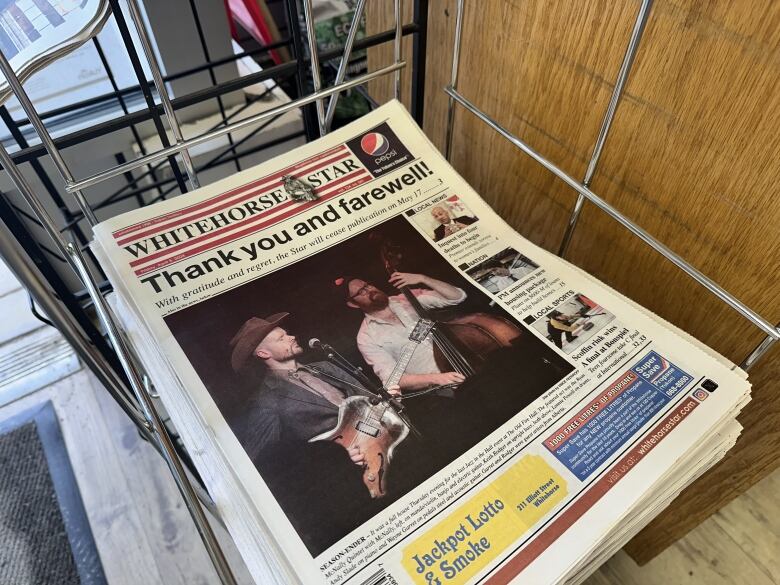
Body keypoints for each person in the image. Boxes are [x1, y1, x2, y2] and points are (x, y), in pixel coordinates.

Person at [228, 312, 372, 464]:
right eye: (281, 338)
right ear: (264, 353)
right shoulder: (266, 400)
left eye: (287, 334)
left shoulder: (325, 367)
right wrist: (335, 459)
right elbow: (262, 458)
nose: (292, 337)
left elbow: (370, 399)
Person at [343, 272, 468, 392]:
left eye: (367, 285)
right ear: (353, 304)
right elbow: (393, 379)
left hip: (467, 361)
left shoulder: (407, 298)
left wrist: (423, 278)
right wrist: (437, 378)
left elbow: (457, 297)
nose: (369, 290)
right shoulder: (366, 337)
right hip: (442, 388)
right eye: (361, 292)